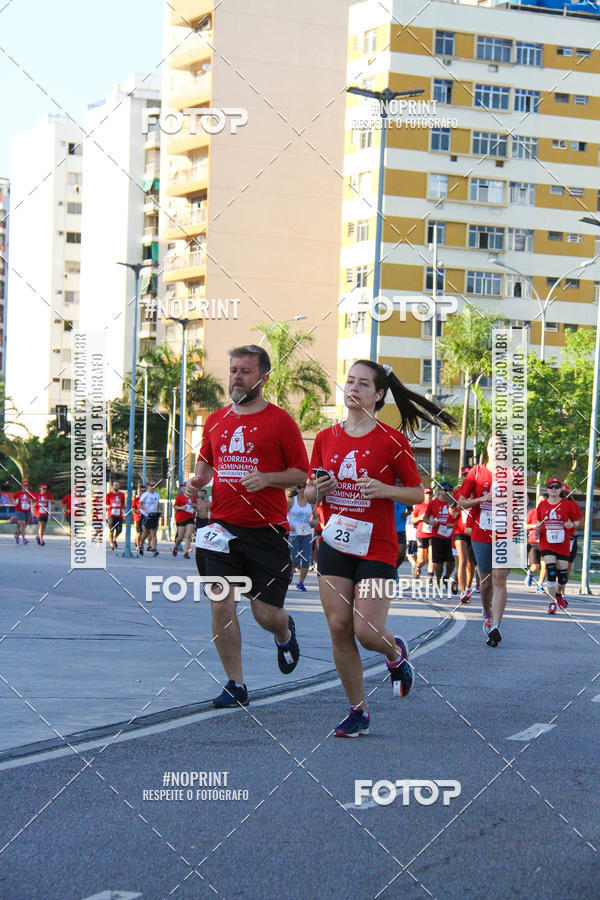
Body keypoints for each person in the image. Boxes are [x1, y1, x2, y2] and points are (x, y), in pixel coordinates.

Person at [305, 359, 455, 737]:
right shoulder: (325, 438)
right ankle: (358, 710)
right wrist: (315, 492)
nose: (353, 389)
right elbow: (308, 490)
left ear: (379, 395)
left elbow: (417, 491)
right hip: (336, 541)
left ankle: (394, 653)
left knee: (367, 631)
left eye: (363, 384)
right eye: (349, 382)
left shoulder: (392, 440)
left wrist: (386, 490)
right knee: (339, 626)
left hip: (377, 545)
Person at [185, 344, 309, 709]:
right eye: (234, 370)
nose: (237, 377)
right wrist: (197, 483)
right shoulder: (216, 420)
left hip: (266, 531)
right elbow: (206, 469)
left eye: (245, 371)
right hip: (221, 528)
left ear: (263, 378)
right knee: (221, 604)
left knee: (264, 613)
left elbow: (302, 473)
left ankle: (284, 632)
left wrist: (268, 479)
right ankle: (235, 684)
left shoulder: (281, 422)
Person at [456, 434, 516, 648]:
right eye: (491, 444)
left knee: (500, 579)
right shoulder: (476, 472)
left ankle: (495, 626)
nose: (494, 448)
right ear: (487, 449)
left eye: (499, 445)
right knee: (486, 581)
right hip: (481, 533)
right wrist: (482, 499)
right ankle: (487, 612)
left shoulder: (513, 474)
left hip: (505, 534)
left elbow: (520, 504)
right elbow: (461, 503)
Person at [535, 477, 583, 614]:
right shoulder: (542, 505)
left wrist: (572, 524)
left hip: (563, 542)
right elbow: (539, 522)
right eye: (551, 487)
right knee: (551, 570)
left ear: (560, 489)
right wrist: (537, 530)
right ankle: (551, 603)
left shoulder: (568, 505)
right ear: (547, 489)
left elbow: (579, 521)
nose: (554, 489)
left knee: (562, 576)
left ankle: (558, 594)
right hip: (547, 542)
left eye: (556, 487)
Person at [423, 481, 456, 588]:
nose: (447, 492)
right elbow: (425, 518)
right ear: (440, 491)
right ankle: (438, 580)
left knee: (451, 561)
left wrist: (453, 524)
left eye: (450, 490)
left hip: (451, 535)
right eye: (445, 490)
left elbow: (459, 517)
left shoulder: (454, 502)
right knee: (438, 561)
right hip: (437, 535)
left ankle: (446, 577)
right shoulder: (433, 503)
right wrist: (430, 522)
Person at [453, 467, 477, 604]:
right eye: (464, 475)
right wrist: (455, 509)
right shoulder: (457, 493)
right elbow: (452, 513)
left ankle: (468, 588)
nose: (466, 477)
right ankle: (463, 592)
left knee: (471, 562)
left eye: (469, 475)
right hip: (460, 531)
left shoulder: (477, 493)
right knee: (462, 559)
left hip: (473, 531)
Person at [558, 483, 582, 605]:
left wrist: (572, 523)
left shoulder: (573, 505)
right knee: (557, 566)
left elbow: (578, 521)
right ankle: (556, 592)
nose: (563, 495)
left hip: (570, 538)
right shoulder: (553, 504)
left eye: (565, 493)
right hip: (556, 539)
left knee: (567, 568)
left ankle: (562, 592)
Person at [287, 484, 314, 591]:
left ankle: (301, 583)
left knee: (306, 560)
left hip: (306, 534)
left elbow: (316, 518)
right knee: (295, 560)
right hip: (294, 535)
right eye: (299, 487)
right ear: (296, 489)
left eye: (304, 487)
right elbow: (281, 514)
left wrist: (314, 522)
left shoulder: (311, 502)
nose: (302, 489)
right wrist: (288, 525)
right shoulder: (291, 501)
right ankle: (289, 573)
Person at [412, 487, 434, 579]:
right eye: (426, 494)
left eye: (430, 494)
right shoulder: (418, 505)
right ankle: (418, 566)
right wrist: (420, 518)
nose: (428, 496)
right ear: (424, 495)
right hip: (422, 534)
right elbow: (413, 519)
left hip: (433, 534)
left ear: (432, 495)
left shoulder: (435, 504)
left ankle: (430, 578)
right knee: (422, 559)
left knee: (432, 557)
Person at [173, 481, 196, 559]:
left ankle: (186, 552)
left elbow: (196, 505)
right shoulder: (179, 496)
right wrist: (181, 507)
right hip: (180, 518)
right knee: (180, 536)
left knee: (188, 535)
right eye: (182, 487)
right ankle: (176, 547)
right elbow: (175, 507)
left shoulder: (193, 496)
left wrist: (194, 506)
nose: (183, 488)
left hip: (190, 517)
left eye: (185, 486)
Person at [139, 482, 161, 557]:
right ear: (148, 486)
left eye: (154, 485)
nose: (153, 486)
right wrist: (145, 509)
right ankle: (140, 545)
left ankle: (154, 549)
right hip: (145, 515)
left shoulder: (157, 495)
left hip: (153, 515)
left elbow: (158, 504)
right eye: (151, 485)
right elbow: (140, 504)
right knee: (145, 533)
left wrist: (159, 510)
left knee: (153, 533)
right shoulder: (145, 495)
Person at [524, 504, 541, 588]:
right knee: (535, 566)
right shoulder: (532, 512)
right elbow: (525, 525)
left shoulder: (550, 512)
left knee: (545, 566)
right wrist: (534, 526)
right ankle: (530, 572)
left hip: (546, 543)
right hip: (533, 542)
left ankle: (540, 585)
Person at [106, 480, 125, 551]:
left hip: (119, 515)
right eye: (115, 485)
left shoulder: (122, 495)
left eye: (117, 485)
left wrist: (124, 508)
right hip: (111, 515)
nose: (116, 486)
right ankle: (111, 544)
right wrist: (107, 506)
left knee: (119, 530)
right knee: (111, 530)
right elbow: (105, 504)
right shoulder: (108, 495)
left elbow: (123, 504)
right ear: (112, 486)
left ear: (119, 486)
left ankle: (114, 539)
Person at [394, 501, 408, 571]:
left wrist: (407, 513)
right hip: (389, 527)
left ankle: (393, 570)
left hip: (401, 528)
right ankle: (391, 571)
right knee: (396, 552)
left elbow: (410, 508)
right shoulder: (389, 493)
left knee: (402, 555)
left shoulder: (405, 495)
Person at [405, 507, 418, 577]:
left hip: (409, 535)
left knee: (409, 554)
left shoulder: (406, 511)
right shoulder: (417, 509)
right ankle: (417, 566)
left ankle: (413, 564)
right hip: (416, 535)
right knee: (416, 553)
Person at [132, 484, 145, 552]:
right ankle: (138, 546)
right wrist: (138, 511)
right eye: (141, 491)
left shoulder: (146, 499)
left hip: (145, 518)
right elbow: (133, 509)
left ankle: (141, 544)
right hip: (138, 518)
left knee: (144, 533)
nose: (142, 492)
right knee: (139, 532)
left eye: (144, 491)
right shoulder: (136, 500)